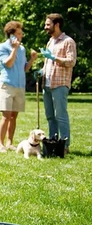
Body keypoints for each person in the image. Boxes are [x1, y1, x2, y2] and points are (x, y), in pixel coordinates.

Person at [0, 21, 37, 153]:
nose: (21, 36)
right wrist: (14, 49)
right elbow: (8, 64)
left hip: (20, 86)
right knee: (6, 116)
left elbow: (25, 68)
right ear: (11, 35)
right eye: (19, 33)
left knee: (14, 116)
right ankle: (0, 144)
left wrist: (32, 59)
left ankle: (10, 143)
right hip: (7, 85)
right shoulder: (2, 47)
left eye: (21, 33)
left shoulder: (22, 49)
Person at [38, 13, 76, 155]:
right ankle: (53, 144)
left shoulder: (68, 41)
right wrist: (41, 71)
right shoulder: (50, 41)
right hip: (47, 84)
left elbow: (71, 61)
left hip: (59, 84)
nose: (45, 27)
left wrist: (54, 57)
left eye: (48, 24)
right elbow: (47, 63)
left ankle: (65, 145)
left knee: (60, 116)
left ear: (57, 25)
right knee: (50, 117)